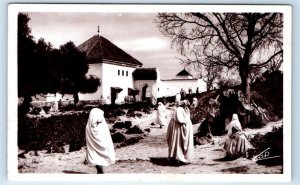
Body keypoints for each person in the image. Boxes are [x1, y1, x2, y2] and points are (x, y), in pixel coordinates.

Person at [85, 108, 116, 174]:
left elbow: (106, 135)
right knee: (95, 155)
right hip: (94, 147)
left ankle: (100, 168)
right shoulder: (89, 127)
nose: (101, 117)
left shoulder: (101, 125)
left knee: (96, 155)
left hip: (100, 146)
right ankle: (99, 168)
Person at [167, 100, 194, 166]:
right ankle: (177, 159)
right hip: (178, 129)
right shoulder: (179, 109)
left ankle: (177, 158)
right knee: (178, 144)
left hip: (178, 128)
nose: (186, 107)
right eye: (186, 105)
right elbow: (179, 119)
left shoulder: (182, 109)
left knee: (178, 144)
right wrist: (185, 123)